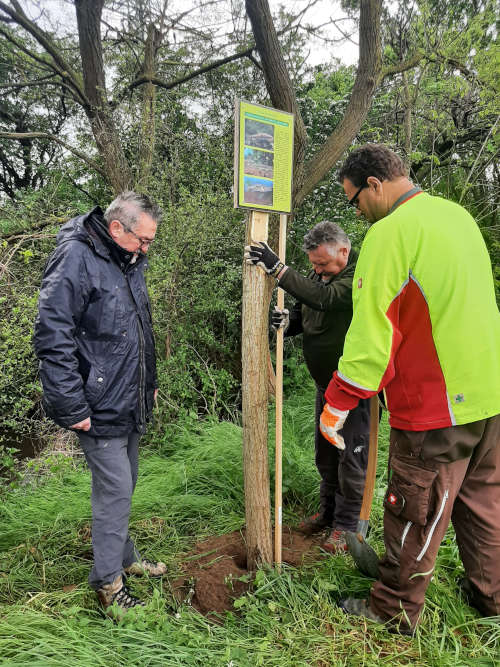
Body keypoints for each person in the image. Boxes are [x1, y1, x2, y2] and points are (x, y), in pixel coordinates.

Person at [318, 143, 500, 634]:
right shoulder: (457, 217)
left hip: (437, 405)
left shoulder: (390, 234)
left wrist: (336, 404)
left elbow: (371, 337)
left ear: (375, 185)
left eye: (354, 201)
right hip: (490, 393)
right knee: (482, 503)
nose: (356, 213)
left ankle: (393, 608)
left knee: (413, 508)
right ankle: (492, 597)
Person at [34, 191, 166, 617]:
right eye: (142, 240)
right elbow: (52, 335)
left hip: (129, 397)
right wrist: (73, 407)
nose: (147, 249)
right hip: (97, 403)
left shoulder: (126, 260)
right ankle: (109, 584)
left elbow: (138, 327)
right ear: (116, 228)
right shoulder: (75, 257)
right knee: (114, 492)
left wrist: (151, 383)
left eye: (150, 241)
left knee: (123, 486)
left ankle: (125, 558)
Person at [244, 222, 371, 553]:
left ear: (343, 251)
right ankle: (327, 514)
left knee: (349, 456)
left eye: (323, 264)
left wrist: (279, 270)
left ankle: (345, 528)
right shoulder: (323, 274)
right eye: (313, 265)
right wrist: (288, 323)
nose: (317, 271)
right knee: (326, 453)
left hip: (354, 387)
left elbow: (326, 300)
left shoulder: (360, 274)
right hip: (326, 385)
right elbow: (308, 309)